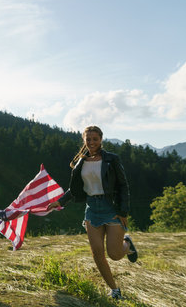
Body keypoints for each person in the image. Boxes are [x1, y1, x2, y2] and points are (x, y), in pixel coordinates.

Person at [47, 125, 138, 300]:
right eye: (88, 139)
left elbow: (123, 185)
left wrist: (123, 211)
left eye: (95, 139)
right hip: (92, 210)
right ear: (84, 141)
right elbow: (75, 189)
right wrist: (59, 201)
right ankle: (114, 289)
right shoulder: (81, 162)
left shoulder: (112, 159)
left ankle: (127, 245)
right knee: (97, 254)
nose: (92, 142)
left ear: (101, 139)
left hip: (111, 208)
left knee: (115, 254)